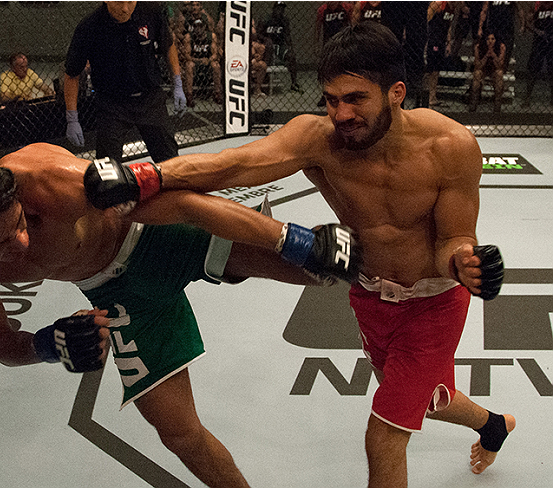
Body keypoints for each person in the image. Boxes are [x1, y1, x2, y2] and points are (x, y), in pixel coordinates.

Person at [85, 21, 514, 488]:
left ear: (396, 92)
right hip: (369, 294)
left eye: (355, 98)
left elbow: (453, 239)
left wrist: (465, 263)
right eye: (331, 99)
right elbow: (237, 164)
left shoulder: (450, 147)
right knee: (427, 395)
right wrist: (148, 177)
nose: (341, 114)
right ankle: (492, 424)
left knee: (385, 433)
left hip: (434, 302)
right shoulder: (320, 140)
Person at [0, 142, 359, 488]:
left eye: (23, 223)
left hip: (156, 232)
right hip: (114, 291)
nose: (22, 245)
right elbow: (1, 344)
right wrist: (49, 344)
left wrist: (293, 240)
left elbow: (181, 201)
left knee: (319, 266)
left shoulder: (54, 181)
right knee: (176, 432)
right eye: (1, 246)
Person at [64, 1, 186, 165]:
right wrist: (72, 118)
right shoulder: (89, 27)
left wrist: (177, 83)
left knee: (171, 162)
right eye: (119, 2)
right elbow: (72, 74)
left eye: (130, 1)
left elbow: (168, 45)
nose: (125, 9)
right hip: (112, 104)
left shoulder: (150, 11)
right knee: (107, 170)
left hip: (149, 98)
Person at [315, 2, 354, 106]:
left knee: (344, 69)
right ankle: (326, 95)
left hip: (344, 43)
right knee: (327, 71)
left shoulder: (346, 7)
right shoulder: (322, 10)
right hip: (328, 44)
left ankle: (346, 93)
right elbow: (318, 28)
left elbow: (352, 23)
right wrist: (316, 45)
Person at [262, 1, 303, 93]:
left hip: (279, 46)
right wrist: (266, 39)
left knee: (291, 56)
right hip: (266, 45)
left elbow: (287, 35)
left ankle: (294, 83)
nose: (280, 11)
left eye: (282, 9)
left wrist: (290, 47)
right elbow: (258, 34)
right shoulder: (266, 20)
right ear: (274, 9)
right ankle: (265, 78)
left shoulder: (284, 21)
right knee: (266, 53)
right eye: (278, 8)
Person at [425, 1, 458, 108]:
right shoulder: (439, 3)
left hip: (442, 40)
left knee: (436, 70)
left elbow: (449, 25)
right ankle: (429, 96)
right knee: (432, 69)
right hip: (433, 39)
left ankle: (433, 96)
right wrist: (426, 39)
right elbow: (426, 19)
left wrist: (448, 43)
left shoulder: (453, 7)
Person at [185, 18, 223, 104]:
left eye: (200, 26)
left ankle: (217, 93)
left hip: (207, 60)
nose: (198, 29)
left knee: (216, 65)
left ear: (204, 27)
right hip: (194, 60)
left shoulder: (211, 36)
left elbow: (215, 54)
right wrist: (197, 60)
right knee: (189, 65)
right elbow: (187, 55)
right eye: (196, 27)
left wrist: (208, 60)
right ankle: (189, 95)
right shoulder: (189, 37)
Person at [523, 1, 553, 107]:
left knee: (552, 70)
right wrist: (537, 31)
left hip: (551, 42)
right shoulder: (536, 4)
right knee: (532, 69)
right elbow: (528, 23)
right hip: (539, 42)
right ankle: (527, 98)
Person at [469, 31, 506, 112]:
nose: (490, 41)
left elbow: (499, 65)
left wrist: (493, 55)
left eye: (492, 39)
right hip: (483, 68)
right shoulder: (478, 47)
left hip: (494, 69)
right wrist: (486, 56)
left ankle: (497, 104)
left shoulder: (501, 47)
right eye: (488, 39)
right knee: (477, 73)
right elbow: (477, 65)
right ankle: (473, 102)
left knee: (499, 73)